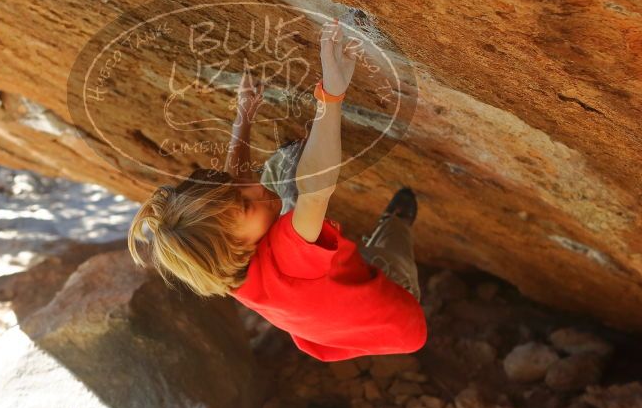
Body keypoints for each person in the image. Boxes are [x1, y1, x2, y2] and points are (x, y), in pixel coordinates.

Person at [128, 18, 426, 361]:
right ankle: (395, 221)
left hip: (329, 324)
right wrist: (331, 94)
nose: (253, 187)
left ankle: (329, 228)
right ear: (237, 247)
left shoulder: (223, 266)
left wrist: (245, 116)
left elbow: (234, 189)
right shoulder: (286, 258)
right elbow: (316, 188)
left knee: (281, 190)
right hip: (394, 309)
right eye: (246, 205)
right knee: (390, 245)